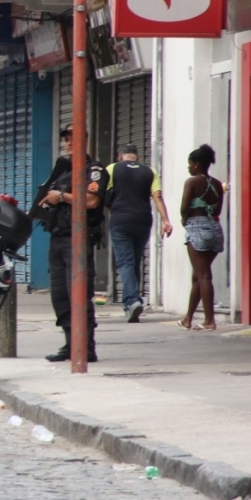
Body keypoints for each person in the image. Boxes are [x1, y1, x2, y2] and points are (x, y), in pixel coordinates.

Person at [38, 128, 107, 363]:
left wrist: (62, 197)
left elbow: (91, 200)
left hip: (77, 240)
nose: (68, 144)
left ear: (85, 141)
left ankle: (86, 347)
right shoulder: (63, 170)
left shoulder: (94, 171)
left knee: (78, 294)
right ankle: (70, 344)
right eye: (66, 140)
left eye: (73, 140)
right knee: (60, 297)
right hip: (57, 239)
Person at [107, 144, 173, 322]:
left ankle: (131, 300)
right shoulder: (150, 171)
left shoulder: (112, 168)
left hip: (120, 221)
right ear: (137, 156)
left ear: (120, 156)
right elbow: (157, 196)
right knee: (134, 261)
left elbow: (100, 193)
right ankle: (131, 304)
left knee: (125, 262)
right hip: (143, 221)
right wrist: (166, 220)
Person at [179, 144, 224, 331]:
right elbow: (218, 210)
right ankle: (187, 319)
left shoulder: (192, 181)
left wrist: (184, 219)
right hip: (215, 229)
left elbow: (184, 207)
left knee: (203, 275)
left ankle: (209, 321)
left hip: (197, 228)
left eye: (190, 164)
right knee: (198, 275)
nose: (188, 167)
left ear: (197, 164)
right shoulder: (216, 184)